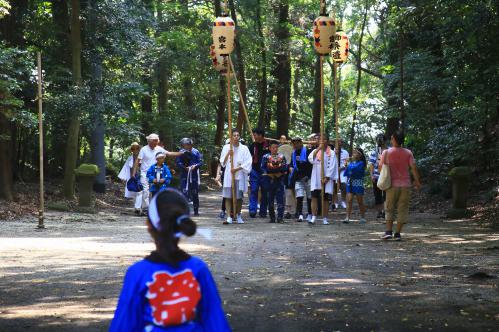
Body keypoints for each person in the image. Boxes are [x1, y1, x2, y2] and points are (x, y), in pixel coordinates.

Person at [110, 189, 231, 331]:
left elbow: (124, 325)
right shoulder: (198, 269)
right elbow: (215, 322)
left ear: (149, 225)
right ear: (182, 225)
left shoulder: (137, 273)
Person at [379, 130, 421, 241]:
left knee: (389, 207)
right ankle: (397, 233)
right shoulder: (408, 153)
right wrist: (417, 181)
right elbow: (413, 168)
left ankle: (388, 231)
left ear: (394, 139)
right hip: (406, 185)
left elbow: (380, 168)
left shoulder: (386, 152)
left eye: (392, 138)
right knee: (403, 208)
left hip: (391, 184)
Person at [132, 133, 183, 210]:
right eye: (155, 140)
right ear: (149, 141)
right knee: (145, 190)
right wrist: (134, 173)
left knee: (152, 191)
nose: (157, 142)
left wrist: (182, 153)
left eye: (157, 140)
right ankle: (145, 208)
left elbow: (169, 153)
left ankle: (152, 208)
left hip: (155, 174)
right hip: (145, 173)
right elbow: (137, 161)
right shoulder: (144, 149)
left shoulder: (159, 149)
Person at [220, 130, 252, 224]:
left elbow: (248, 161)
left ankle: (238, 215)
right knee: (228, 196)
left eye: (238, 135)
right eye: (234, 135)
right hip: (229, 175)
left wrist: (237, 168)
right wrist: (228, 154)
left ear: (239, 137)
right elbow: (223, 162)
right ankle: (229, 216)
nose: (236, 137)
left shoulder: (244, 148)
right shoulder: (226, 147)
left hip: (239, 174)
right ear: (231, 137)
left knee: (239, 197)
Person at [308, 134, 338, 225]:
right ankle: (313, 216)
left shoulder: (331, 153)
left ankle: (325, 218)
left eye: (324, 139)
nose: (322, 141)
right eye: (320, 139)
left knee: (325, 199)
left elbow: (333, 166)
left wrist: (327, 177)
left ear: (327, 141)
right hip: (316, 177)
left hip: (326, 179)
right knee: (314, 197)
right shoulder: (315, 151)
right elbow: (310, 159)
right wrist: (318, 149)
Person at [262, 141, 288, 223]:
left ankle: (280, 217)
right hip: (269, 180)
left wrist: (280, 173)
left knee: (280, 199)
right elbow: (262, 167)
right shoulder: (266, 157)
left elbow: (285, 167)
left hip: (279, 180)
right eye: (273, 147)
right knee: (270, 199)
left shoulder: (282, 156)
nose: (275, 149)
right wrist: (269, 174)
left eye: (276, 147)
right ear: (270, 148)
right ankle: (272, 217)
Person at [176, 138, 203, 216]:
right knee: (184, 191)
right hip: (184, 174)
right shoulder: (181, 152)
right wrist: (184, 167)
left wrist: (195, 166)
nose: (186, 146)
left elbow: (200, 162)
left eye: (188, 144)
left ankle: (196, 210)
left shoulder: (196, 151)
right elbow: (178, 162)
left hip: (194, 174)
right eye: (184, 145)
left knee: (195, 192)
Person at [290, 137, 313, 222]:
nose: (295, 145)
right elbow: (292, 165)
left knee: (309, 197)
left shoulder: (308, 152)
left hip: (308, 178)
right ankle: (300, 214)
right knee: (299, 196)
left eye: (297, 143)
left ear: (301, 143)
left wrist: (307, 176)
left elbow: (311, 165)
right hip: (298, 178)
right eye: (294, 143)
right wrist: (291, 168)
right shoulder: (293, 154)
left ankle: (310, 214)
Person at [248, 128, 269, 218]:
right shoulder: (253, 146)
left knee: (265, 191)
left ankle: (263, 211)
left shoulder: (268, 145)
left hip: (265, 172)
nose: (254, 136)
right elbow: (249, 158)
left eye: (255, 135)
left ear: (260, 135)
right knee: (254, 190)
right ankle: (252, 210)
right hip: (254, 171)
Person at [118, 142, 143, 215]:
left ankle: (138, 207)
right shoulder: (129, 158)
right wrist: (123, 178)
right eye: (133, 148)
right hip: (131, 176)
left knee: (140, 191)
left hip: (140, 176)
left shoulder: (142, 157)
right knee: (134, 191)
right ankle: (136, 207)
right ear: (131, 150)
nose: (135, 150)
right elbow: (125, 168)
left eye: (136, 148)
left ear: (139, 149)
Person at [344, 147, 367, 224]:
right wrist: (347, 165)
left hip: (358, 182)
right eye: (353, 152)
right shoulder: (351, 163)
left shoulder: (361, 163)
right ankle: (347, 217)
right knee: (349, 200)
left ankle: (363, 217)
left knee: (359, 201)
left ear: (360, 155)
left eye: (355, 152)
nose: (353, 154)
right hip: (350, 182)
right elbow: (347, 171)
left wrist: (348, 166)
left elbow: (354, 170)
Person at [369, 134, 388, 219]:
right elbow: (371, 164)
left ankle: (385, 211)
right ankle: (379, 211)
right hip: (377, 176)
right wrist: (372, 175)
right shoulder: (374, 152)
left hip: (386, 175)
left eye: (381, 139)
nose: (380, 141)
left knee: (386, 195)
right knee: (377, 195)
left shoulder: (389, 151)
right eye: (378, 139)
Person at [278, 135, 295, 219]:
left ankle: (293, 211)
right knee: (287, 192)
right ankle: (288, 211)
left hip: (292, 172)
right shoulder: (278, 149)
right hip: (283, 172)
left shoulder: (293, 150)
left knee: (292, 192)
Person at [332, 139, 349, 209]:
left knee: (343, 184)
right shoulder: (331, 152)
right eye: (338, 141)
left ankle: (343, 200)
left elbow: (347, 162)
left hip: (342, 171)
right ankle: (335, 202)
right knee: (334, 186)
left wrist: (341, 167)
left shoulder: (345, 152)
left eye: (341, 141)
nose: (339, 143)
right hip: (333, 171)